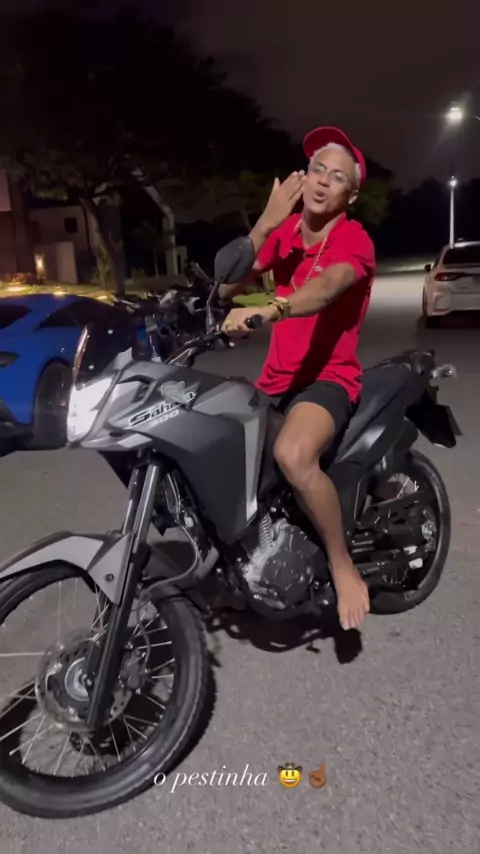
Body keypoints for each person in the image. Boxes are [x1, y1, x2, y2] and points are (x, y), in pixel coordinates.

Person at [220, 126, 376, 632]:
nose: (323, 180)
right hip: (275, 381)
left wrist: (274, 307)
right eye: (317, 169)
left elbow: (328, 287)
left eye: (338, 177)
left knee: (292, 454)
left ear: (350, 195)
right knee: (220, 445)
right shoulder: (284, 233)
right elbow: (225, 286)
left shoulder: (354, 239)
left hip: (327, 380)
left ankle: (341, 563)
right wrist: (265, 223)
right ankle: (244, 564)